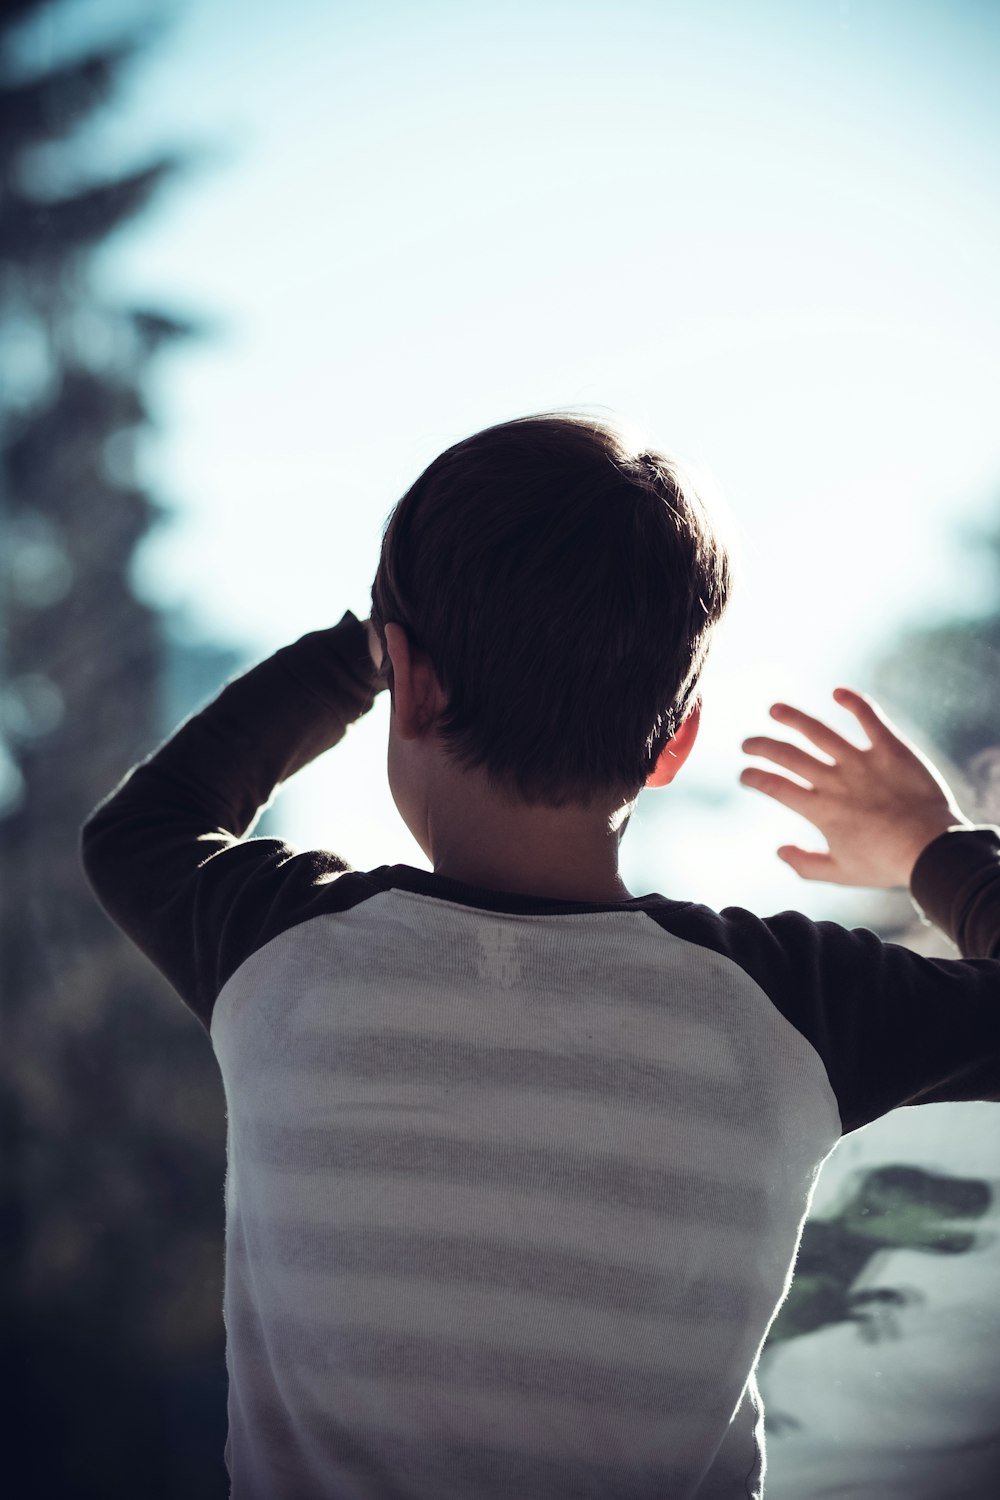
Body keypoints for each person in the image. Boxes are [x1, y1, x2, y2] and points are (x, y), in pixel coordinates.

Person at [80, 412, 1000, 1500]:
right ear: (676, 744)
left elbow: (140, 830)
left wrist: (359, 653)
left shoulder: (285, 952)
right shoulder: (789, 1009)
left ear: (413, 686)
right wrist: (930, 850)